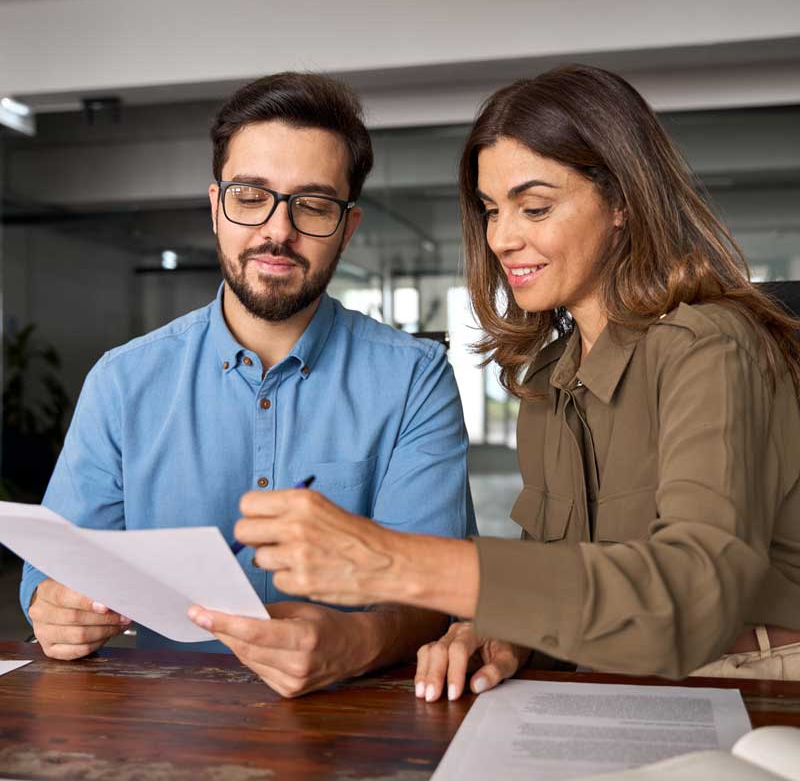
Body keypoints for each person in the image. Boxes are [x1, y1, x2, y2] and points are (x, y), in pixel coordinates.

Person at [224, 65, 800, 700]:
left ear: (622, 203)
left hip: (751, 688)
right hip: (608, 680)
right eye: (492, 210)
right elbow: (570, 581)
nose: (500, 237)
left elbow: (692, 602)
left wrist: (392, 561)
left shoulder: (712, 346)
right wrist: (509, 629)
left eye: (535, 207)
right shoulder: (550, 379)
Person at [20, 72, 476, 697]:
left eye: (312, 205)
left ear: (348, 226)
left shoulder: (413, 380)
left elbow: (436, 592)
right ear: (216, 207)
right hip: (168, 725)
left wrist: (355, 642)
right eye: (251, 195)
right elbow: (52, 570)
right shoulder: (123, 382)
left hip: (360, 722)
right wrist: (54, 607)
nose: (278, 231)